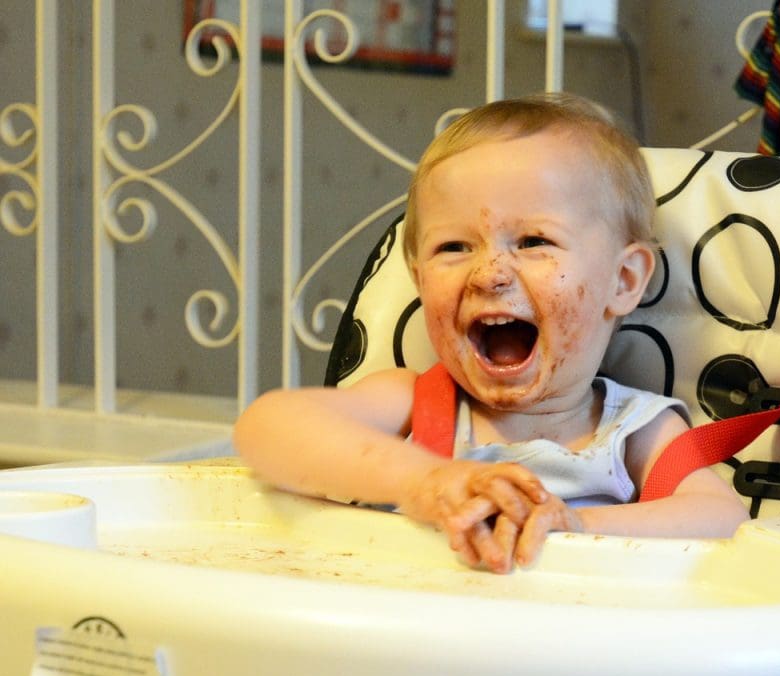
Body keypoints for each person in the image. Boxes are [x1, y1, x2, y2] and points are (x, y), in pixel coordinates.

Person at [233, 92, 749, 575]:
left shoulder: (634, 431)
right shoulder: (415, 405)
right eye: (454, 247)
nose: (490, 273)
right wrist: (424, 481)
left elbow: (723, 521)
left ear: (623, 280)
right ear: (418, 279)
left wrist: (575, 527)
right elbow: (265, 430)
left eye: (533, 241)